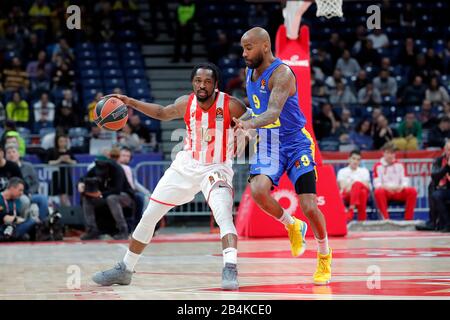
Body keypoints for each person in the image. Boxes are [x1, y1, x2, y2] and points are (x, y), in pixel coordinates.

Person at [91, 63, 250, 290]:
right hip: (186, 165)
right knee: (150, 215)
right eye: (198, 81)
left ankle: (230, 268)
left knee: (224, 215)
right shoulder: (186, 102)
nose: (202, 85)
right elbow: (161, 113)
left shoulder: (232, 105)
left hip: (216, 167)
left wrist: (246, 135)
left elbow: (254, 126)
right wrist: (130, 101)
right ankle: (125, 269)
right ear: (192, 83)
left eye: (207, 82)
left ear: (216, 85)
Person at [234, 27, 332, 285]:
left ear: (265, 46)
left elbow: (272, 113)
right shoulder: (249, 72)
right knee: (258, 190)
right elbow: (256, 109)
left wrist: (248, 125)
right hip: (269, 143)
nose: (244, 53)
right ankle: (291, 224)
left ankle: (324, 255)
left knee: (310, 206)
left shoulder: (283, 73)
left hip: (296, 142)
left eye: (248, 47)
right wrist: (237, 123)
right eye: (243, 48)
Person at [78, 159, 135, 240]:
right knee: (87, 198)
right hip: (104, 196)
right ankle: (92, 230)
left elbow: (117, 190)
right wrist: (80, 183)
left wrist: (100, 194)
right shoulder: (96, 167)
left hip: (124, 196)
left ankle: (123, 230)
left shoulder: (117, 169)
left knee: (111, 198)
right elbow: (83, 177)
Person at [373, 142, 418, 220]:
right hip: (386, 191)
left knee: (412, 191)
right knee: (378, 192)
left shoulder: (400, 165)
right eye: (388, 153)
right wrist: (386, 187)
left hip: (398, 190)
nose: (390, 155)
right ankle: (385, 219)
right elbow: (377, 183)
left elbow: (405, 180)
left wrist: (402, 186)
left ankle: (408, 219)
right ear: (383, 153)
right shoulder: (378, 166)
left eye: (392, 153)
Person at [5, 144, 49, 222]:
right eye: (9, 153)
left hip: (27, 193)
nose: (11, 154)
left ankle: (43, 224)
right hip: (12, 195)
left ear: (18, 154)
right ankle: (23, 224)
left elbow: (36, 183)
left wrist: (30, 192)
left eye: (13, 152)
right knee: (24, 200)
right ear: (5, 155)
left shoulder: (28, 166)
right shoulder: (5, 168)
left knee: (43, 199)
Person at [337, 150, 371, 221]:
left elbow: (367, 186)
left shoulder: (364, 171)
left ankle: (351, 209)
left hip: (360, 195)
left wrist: (353, 185)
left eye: (358, 159)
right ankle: (362, 220)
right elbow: (343, 187)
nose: (355, 161)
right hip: (347, 195)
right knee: (360, 189)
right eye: (354, 158)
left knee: (362, 192)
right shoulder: (342, 171)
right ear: (349, 159)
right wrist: (355, 185)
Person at [47, 133, 77, 206]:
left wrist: (68, 160)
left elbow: (75, 162)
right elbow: (48, 162)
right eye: (60, 141)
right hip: (56, 176)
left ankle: (68, 215)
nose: (62, 143)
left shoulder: (69, 152)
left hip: (65, 177)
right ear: (57, 142)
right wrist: (59, 160)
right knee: (53, 199)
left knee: (64, 198)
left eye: (64, 141)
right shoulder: (52, 151)